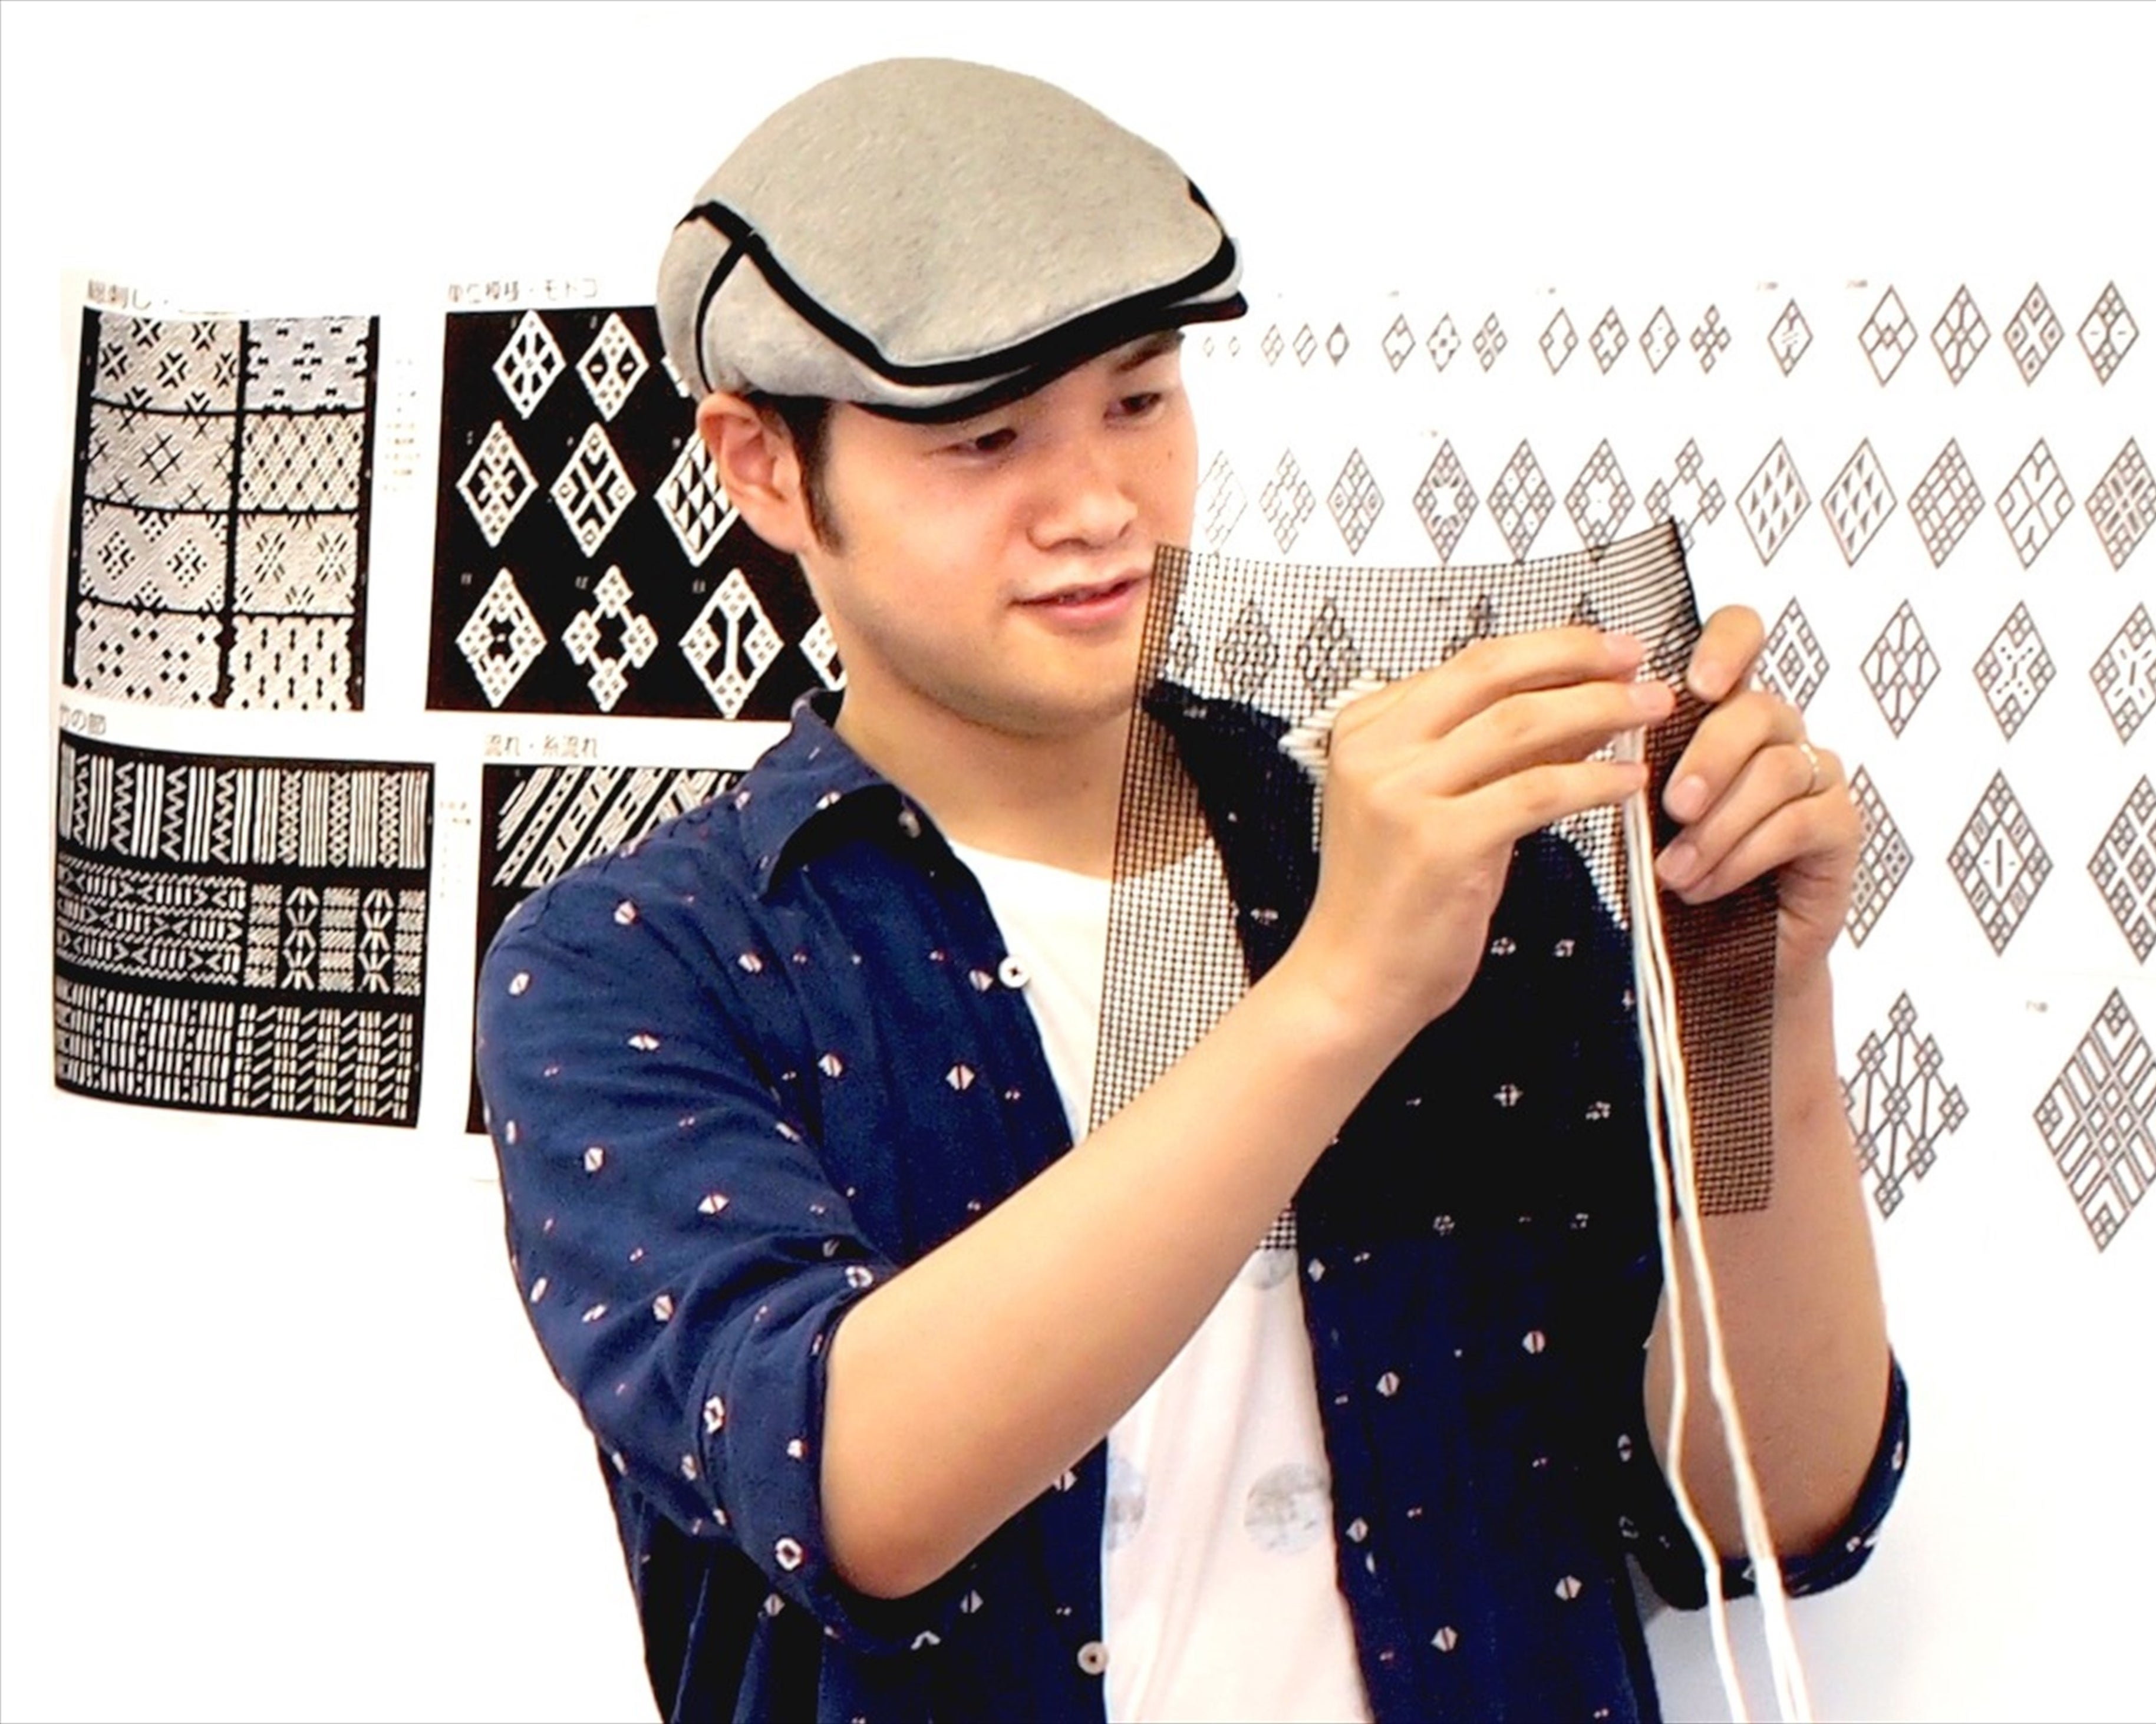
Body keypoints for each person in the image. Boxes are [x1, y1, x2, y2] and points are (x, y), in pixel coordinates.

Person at [477, 57, 1906, 1723]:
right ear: (765, 465)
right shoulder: (637, 962)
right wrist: (1344, 989)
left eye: (1141, 401)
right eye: (986, 438)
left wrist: (1751, 1010)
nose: (1097, 506)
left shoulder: (1447, 863)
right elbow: (848, 1487)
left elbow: (1760, 1515)